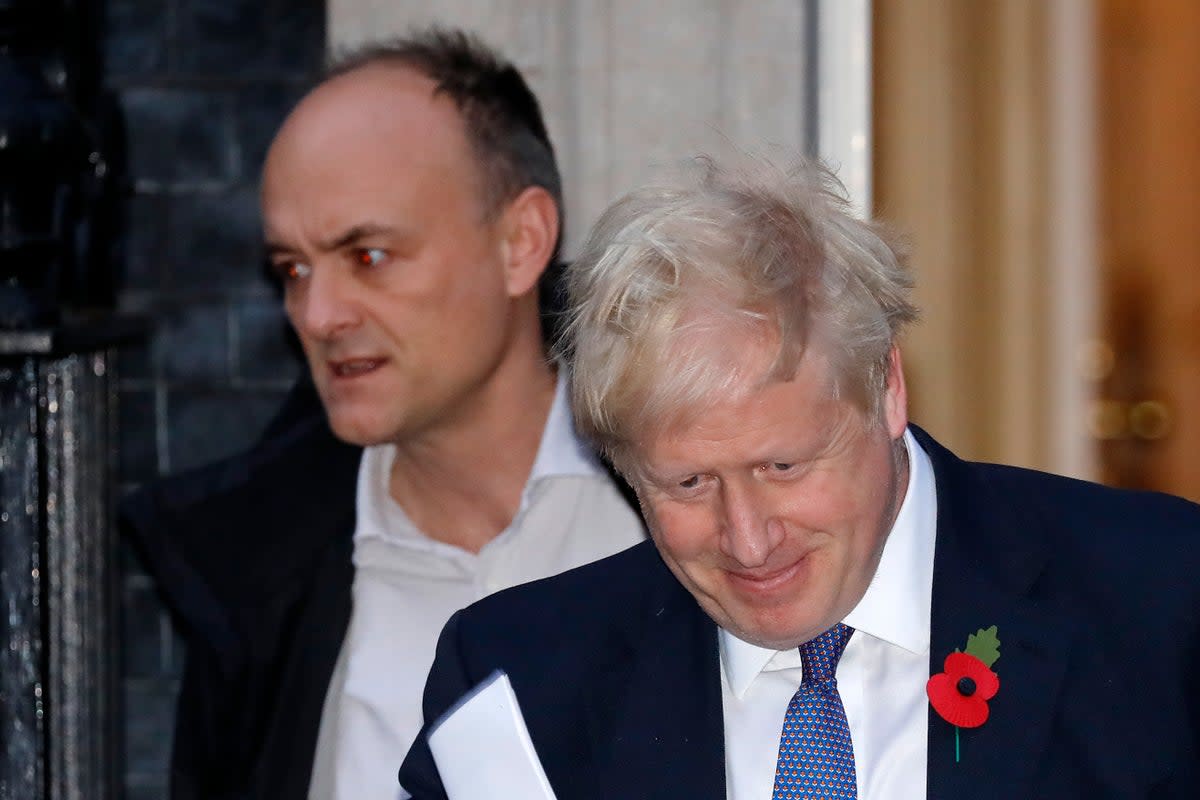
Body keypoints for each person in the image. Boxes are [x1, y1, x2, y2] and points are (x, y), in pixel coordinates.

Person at [398, 154, 1200, 798]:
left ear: (885, 387)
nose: (748, 539)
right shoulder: (522, 689)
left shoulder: (1163, 604)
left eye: (782, 466)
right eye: (687, 484)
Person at [122, 28, 645, 800]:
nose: (317, 312)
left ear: (521, 242)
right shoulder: (256, 580)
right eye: (292, 270)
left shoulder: (693, 508)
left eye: (367, 256)